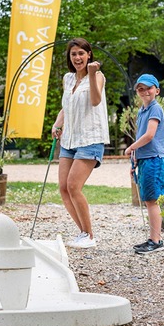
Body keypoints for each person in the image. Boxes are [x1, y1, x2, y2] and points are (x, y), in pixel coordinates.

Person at [51, 38, 110, 249]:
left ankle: (90, 235)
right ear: (70, 57)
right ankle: (83, 233)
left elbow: (95, 100)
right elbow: (66, 107)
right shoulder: (68, 79)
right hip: (69, 139)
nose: (77, 58)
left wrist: (93, 75)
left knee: (74, 186)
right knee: (64, 188)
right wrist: (57, 124)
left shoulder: (98, 76)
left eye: (81, 53)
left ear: (89, 55)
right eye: (74, 54)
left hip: (90, 138)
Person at [124, 73, 164, 254]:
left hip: (154, 160)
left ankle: (156, 240)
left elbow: (149, 135)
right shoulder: (142, 111)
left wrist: (130, 147)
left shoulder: (155, 109)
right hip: (144, 159)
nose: (145, 91)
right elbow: (142, 135)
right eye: (141, 89)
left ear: (156, 90)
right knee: (149, 200)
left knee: (152, 200)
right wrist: (135, 155)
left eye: (149, 88)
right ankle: (153, 238)